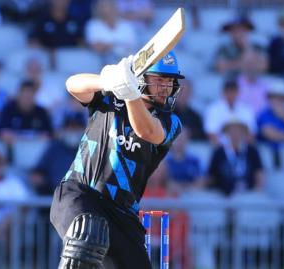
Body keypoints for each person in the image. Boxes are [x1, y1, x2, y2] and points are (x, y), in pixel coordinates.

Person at [50, 51, 184, 268]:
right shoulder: (109, 99)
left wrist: (130, 95)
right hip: (81, 193)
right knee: (86, 235)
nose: (166, 87)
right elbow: (72, 85)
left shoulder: (171, 121)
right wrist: (108, 80)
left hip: (122, 214)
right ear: (141, 78)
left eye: (170, 81)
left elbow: (147, 132)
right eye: (159, 80)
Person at [30, 111, 86, 196]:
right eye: (69, 127)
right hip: (55, 196)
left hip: (83, 197)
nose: (72, 130)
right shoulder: (54, 148)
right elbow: (37, 174)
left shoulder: (88, 149)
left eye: (76, 127)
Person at [207, 117, 264, 196]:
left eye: (238, 130)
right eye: (232, 130)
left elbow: (259, 171)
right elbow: (211, 175)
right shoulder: (219, 152)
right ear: (226, 133)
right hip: (222, 194)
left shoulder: (252, 151)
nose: (235, 133)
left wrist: (258, 188)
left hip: (248, 193)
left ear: (244, 133)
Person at [0, 80, 53, 144]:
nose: (27, 97)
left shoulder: (41, 112)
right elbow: (0, 132)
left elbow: (49, 135)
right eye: (25, 94)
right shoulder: (8, 110)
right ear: (19, 94)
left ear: (35, 95)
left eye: (30, 94)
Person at [204, 77, 255, 144]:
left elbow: (251, 133)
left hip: (242, 147)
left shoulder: (246, 109)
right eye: (227, 91)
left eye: (233, 91)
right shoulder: (213, 109)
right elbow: (211, 133)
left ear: (238, 92)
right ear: (222, 92)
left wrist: (243, 149)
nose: (230, 94)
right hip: (221, 147)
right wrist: (225, 150)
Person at [165, 129, 205, 194]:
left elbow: (200, 181)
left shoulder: (195, 160)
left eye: (183, 139)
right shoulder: (165, 161)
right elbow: (166, 183)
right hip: (171, 197)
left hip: (192, 195)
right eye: (178, 139)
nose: (180, 142)